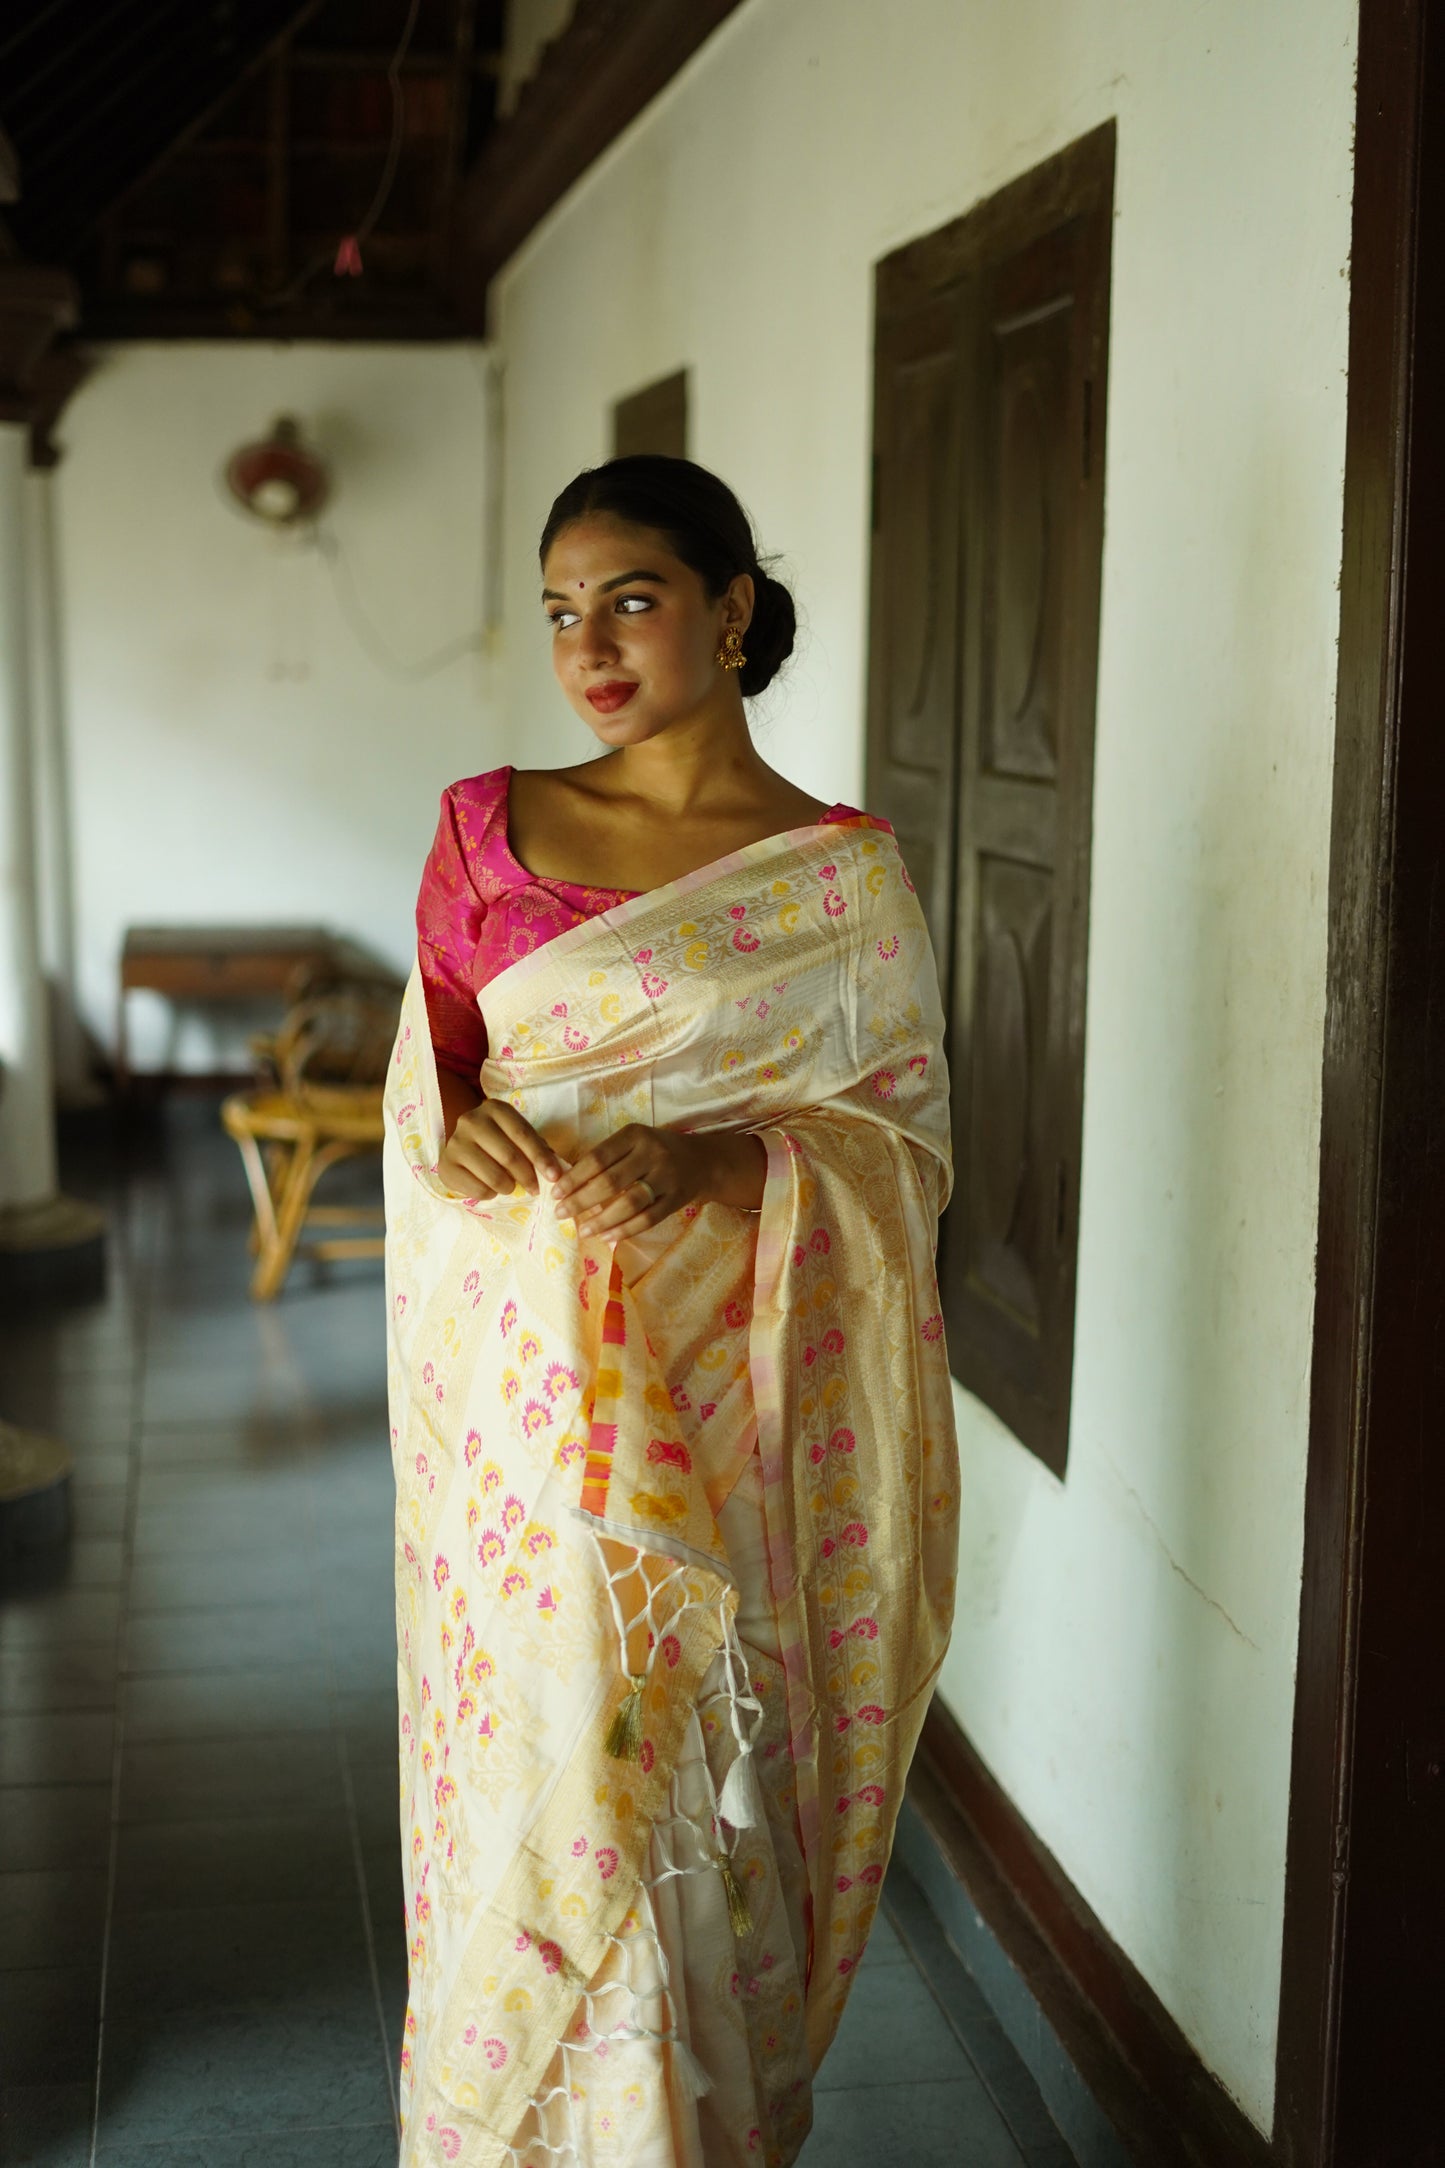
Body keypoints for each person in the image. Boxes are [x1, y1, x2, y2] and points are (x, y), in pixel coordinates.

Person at [384, 455, 959, 2168]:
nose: (589, 648)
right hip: (526, 1401)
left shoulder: (838, 881)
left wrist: (714, 1165)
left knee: (695, 1741)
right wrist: (457, 1126)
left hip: (735, 1395)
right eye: (563, 612)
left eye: (628, 599)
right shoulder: (487, 824)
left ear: (728, 608)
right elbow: (429, 1089)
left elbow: (894, 1149)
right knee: (569, 1732)